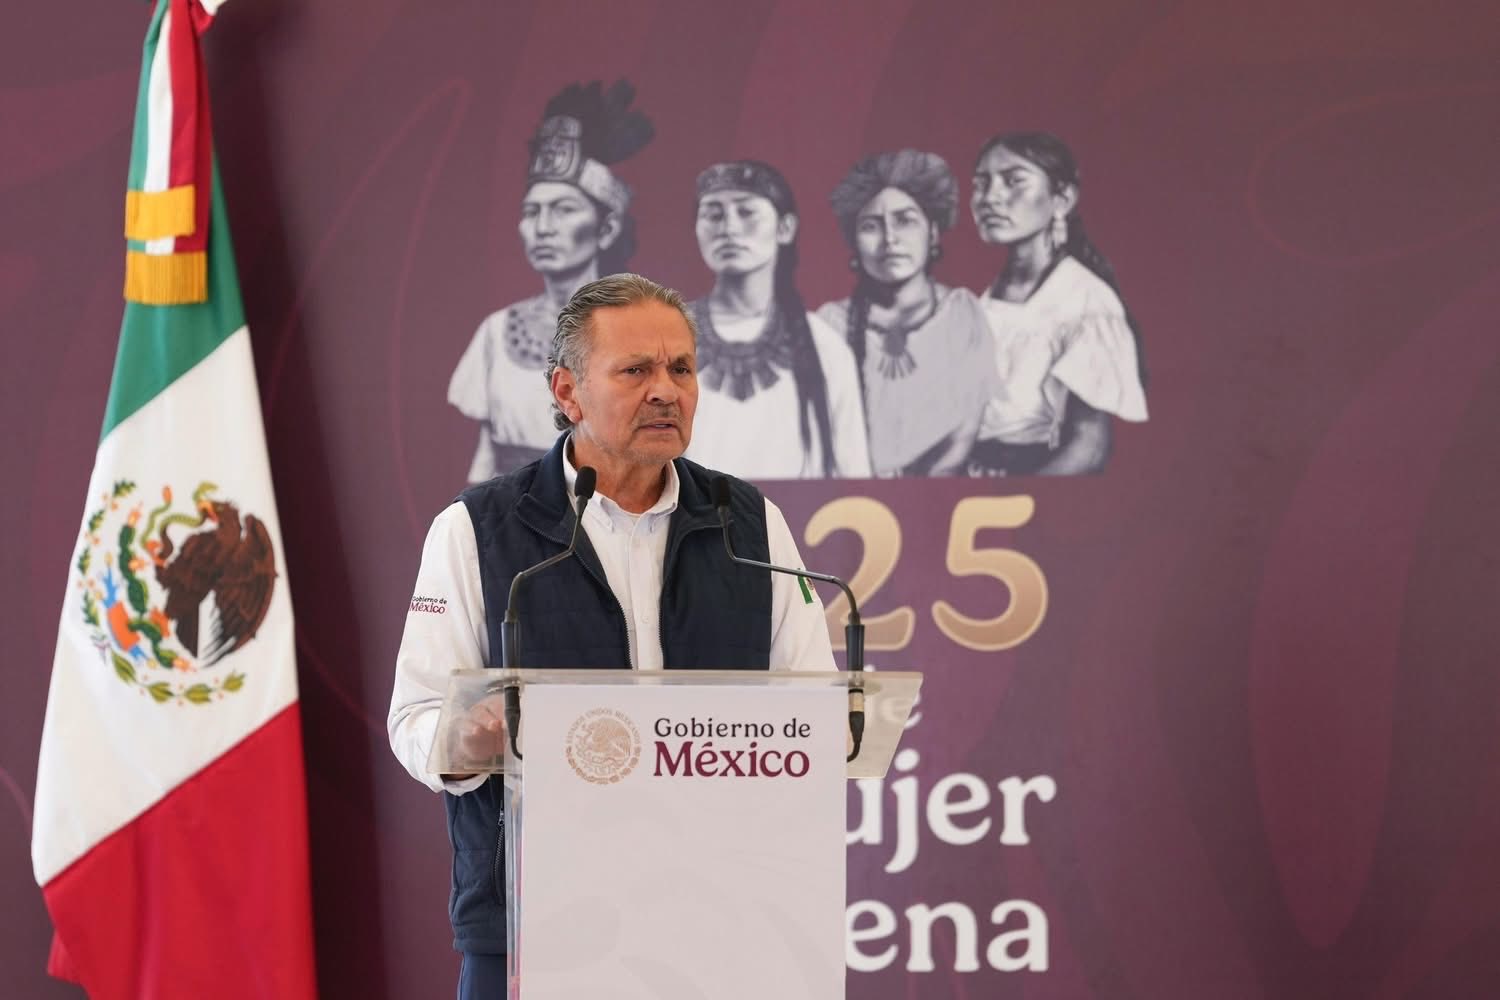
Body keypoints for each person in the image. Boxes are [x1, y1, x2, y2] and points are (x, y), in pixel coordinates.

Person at [388, 273, 837, 999]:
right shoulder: (476, 529)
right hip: (536, 925)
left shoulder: (750, 525)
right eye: (635, 371)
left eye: (681, 368)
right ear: (567, 391)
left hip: (723, 917)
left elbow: (811, 711)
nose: (666, 391)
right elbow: (414, 719)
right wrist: (468, 736)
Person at [448, 80, 653, 481]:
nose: (543, 227)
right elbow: (486, 457)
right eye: (532, 212)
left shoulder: (643, 331)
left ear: (606, 228)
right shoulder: (497, 331)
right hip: (515, 510)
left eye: (563, 209)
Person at [969, 131, 1148, 475]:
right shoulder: (984, 299)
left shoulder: (1086, 302)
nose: (990, 197)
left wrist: (1014, 500)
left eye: (1013, 181)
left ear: (1062, 199)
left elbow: (1089, 448)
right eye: (981, 184)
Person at [684, 160, 872, 479]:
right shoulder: (660, 339)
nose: (729, 228)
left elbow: (853, 480)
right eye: (714, 215)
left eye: (746, 212)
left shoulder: (826, 347)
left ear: (785, 228)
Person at [816, 149, 996, 477]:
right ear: (854, 242)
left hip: (940, 495)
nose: (890, 239)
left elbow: (962, 438)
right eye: (871, 226)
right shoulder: (829, 325)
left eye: (905, 221)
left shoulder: (961, 314)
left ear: (933, 232)